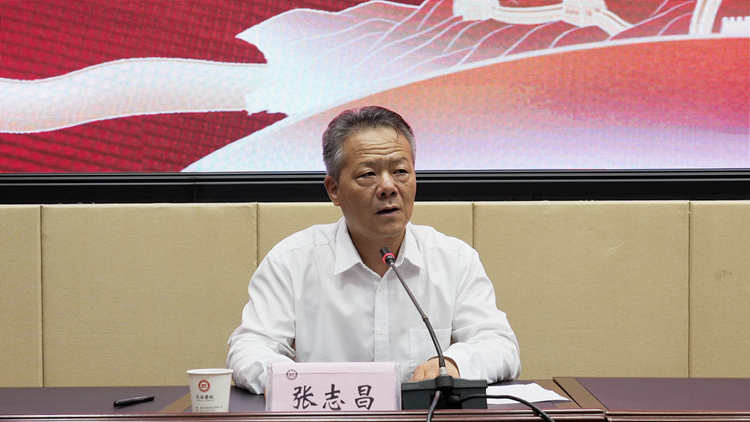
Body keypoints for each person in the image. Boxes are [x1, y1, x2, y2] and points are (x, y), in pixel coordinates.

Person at [227, 106, 521, 393]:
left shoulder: (454, 260)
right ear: (334, 190)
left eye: (400, 171)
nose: (388, 187)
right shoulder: (291, 262)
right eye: (368, 174)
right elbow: (249, 349)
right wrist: (299, 381)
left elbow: (500, 345)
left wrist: (454, 364)